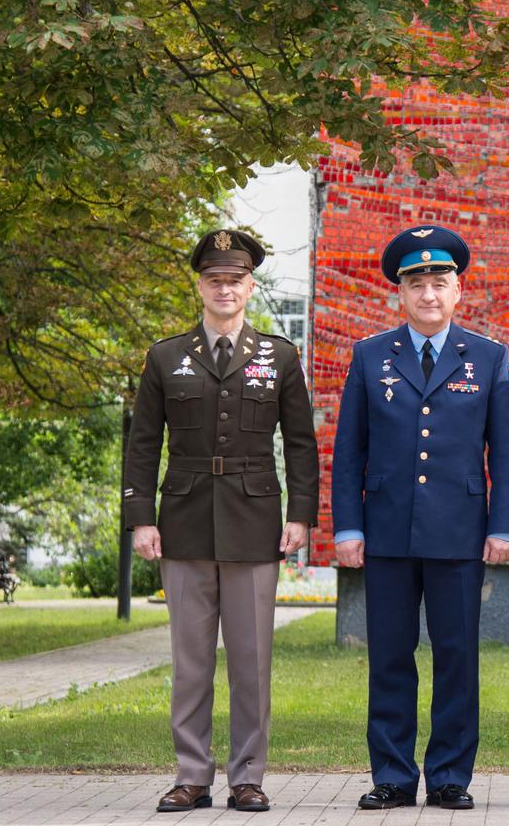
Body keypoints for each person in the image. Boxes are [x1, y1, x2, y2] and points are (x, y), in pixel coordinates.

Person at [124, 229, 319, 814]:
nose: (225, 289)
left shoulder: (279, 356)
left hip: (255, 519)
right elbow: (142, 444)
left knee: (251, 661)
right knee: (191, 661)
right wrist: (140, 518)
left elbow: (302, 445)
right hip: (182, 519)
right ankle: (191, 774)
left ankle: (247, 777)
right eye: (215, 280)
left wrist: (301, 517)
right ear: (201, 286)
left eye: (235, 280)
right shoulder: (165, 356)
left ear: (250, 285)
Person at [332, 225, 509, 811]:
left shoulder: (488, 357)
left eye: (439, 282)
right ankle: (391, 774)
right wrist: (347, 526)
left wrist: (503, 524)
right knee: (390, 654)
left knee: (457, 656)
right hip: (386, 528)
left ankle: (448, 777)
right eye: (417, 284)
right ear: (400, 294)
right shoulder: (369, 355)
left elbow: (507, 450)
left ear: (458, 289)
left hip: (459, 530)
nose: (429, 294)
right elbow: (348, 450)